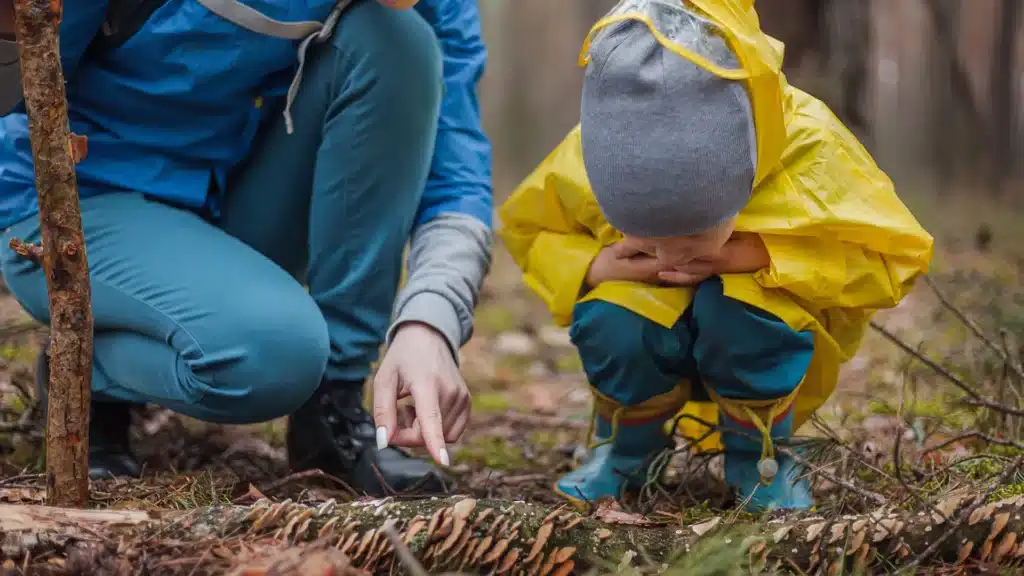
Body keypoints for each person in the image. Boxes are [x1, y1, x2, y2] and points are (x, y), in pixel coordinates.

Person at [0, 0, 492, 496]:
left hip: (227, 194)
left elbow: (457, 173)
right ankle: (89, 364)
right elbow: (18, 81)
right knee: (276, 356)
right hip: (80, 205)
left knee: (397, 39)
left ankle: (333, 409)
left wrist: (428, 321)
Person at [498, 0, 933, 511]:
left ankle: (760, 458)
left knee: (742, 314)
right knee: (612, 319)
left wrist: (760, 255)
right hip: (650, 333)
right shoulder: (594, 149)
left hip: (758, 344)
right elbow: (531, 228)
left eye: (690, 234)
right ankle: (628, 449)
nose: (668, 255)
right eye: (646, 235)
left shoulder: (806, 147)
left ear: (744, 176)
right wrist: (594, 266)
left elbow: (887, 257)